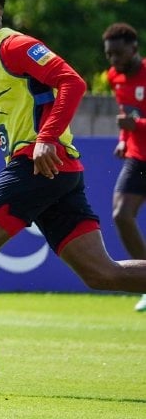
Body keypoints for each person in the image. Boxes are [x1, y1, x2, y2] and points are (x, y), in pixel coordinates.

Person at [0, 0, 146, 391]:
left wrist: (45, 138)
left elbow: (72, 82)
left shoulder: (13, 46)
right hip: (53, 169)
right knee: (102, 274)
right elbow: (3, 126)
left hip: (39, 164)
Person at [102, 22, 146, 312]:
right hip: (138, 157)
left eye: (119, 54)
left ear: (134, 49)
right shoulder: (114, 77)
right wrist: (123, 137)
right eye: (109, 55)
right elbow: (126, 113)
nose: (114, 60)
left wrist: (137, 125)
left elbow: (135, 118)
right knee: (121, 214)